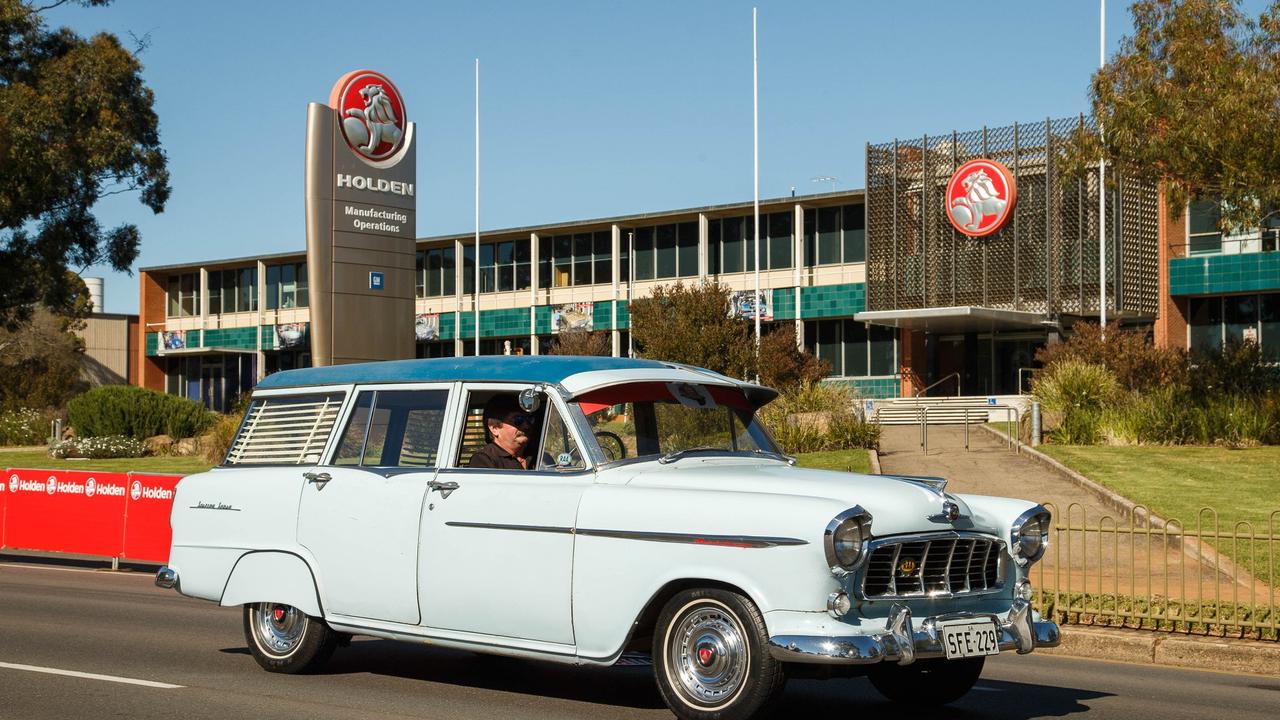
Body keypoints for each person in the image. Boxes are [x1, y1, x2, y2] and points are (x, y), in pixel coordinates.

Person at [468, 394, 537, 470]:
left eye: (530, 419)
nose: (526, 426)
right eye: (518, 420)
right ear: (495, 428)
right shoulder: (484, 459)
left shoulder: (538, 456)